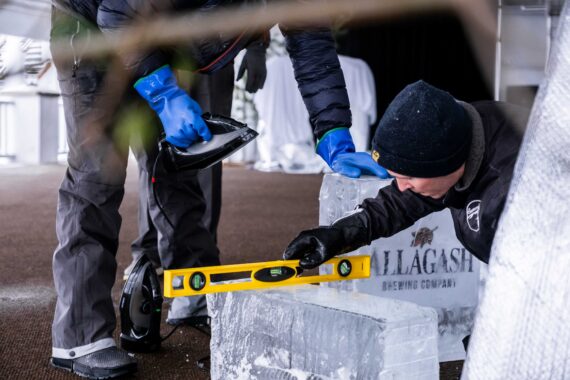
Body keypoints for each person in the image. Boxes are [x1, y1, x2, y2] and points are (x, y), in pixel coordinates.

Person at [49, 1, 387, 379]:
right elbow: (116, 13)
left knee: (178, 167)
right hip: (93, 30)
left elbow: (312, 47)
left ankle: (193, 292)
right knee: (98, 175)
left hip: (157, 37)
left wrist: (334, 132)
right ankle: (79, 336)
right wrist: (163, 93)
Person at [285, 80, 529, 271]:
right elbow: (404, 199)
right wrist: (341, 234)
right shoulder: (456, 132)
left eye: (410, 178)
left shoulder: (517, 192)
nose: (401, 187)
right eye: (396, 176)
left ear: (445, 163)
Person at [125, 42, 268, 329]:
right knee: (152, 156)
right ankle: (149, 251)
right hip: (151, 39)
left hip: (212, 49)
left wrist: (258, 46)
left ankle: (195, 264)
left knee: (204, 151)